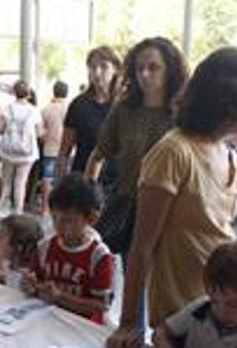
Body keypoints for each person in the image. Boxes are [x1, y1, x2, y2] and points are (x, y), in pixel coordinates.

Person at [106, 47, 237, 348]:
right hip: (179, 323)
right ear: (233, 97)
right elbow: (141, 246)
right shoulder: (174, 151)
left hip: (225, 315)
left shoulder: (232, 157)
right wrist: (129, 322)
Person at [86, 37, 188, 257]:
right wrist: (88, 201)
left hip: (172, 212)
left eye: (153, 67)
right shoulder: (124, 110)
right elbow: (98, 154)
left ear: (170, 70)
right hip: (130, 208)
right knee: (134, 272)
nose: (145, 74)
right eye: (139, 68)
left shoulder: (184, 112)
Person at [25, 174, 114, 324]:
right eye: (54, 218)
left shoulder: (99, 256)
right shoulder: (44, 247)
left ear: (91, 219)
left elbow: (101, 306)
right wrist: (31, 285)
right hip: (48, 320)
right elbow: (35, 282)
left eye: (68, 221)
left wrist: (60, 297)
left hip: (82, 328)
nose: (58, 226)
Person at [56, 46, 121, 177]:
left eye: (104, 67)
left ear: (115, 69)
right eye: (92, 67)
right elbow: (64, 151)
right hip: (83, 182)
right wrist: (63, 185)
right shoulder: (78, 105)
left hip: (118, 183)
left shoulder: (124, 105)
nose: (97, 72)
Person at [0, 80, 43, 214]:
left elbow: (0, 130)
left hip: (8, 151)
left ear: (14, 92)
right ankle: (18, 211)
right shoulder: (34, 110)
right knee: (21, 182)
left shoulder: (7, 109)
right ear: (28, 94)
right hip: (26, 152)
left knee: (5, 181)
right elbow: (39, 133)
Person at [0, 213, 44, 286]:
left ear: (19, 246)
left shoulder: (31, 274)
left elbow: (15, 282)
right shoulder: (15, 264)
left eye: (0, 237)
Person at [39, 81, 68, 215]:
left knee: (47, 179)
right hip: (67, 151)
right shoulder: (69, 108)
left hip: (49, 149)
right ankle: (61, 209)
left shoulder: (46, 109)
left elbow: (39, 132)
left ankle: (45, 208)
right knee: (64, 180)